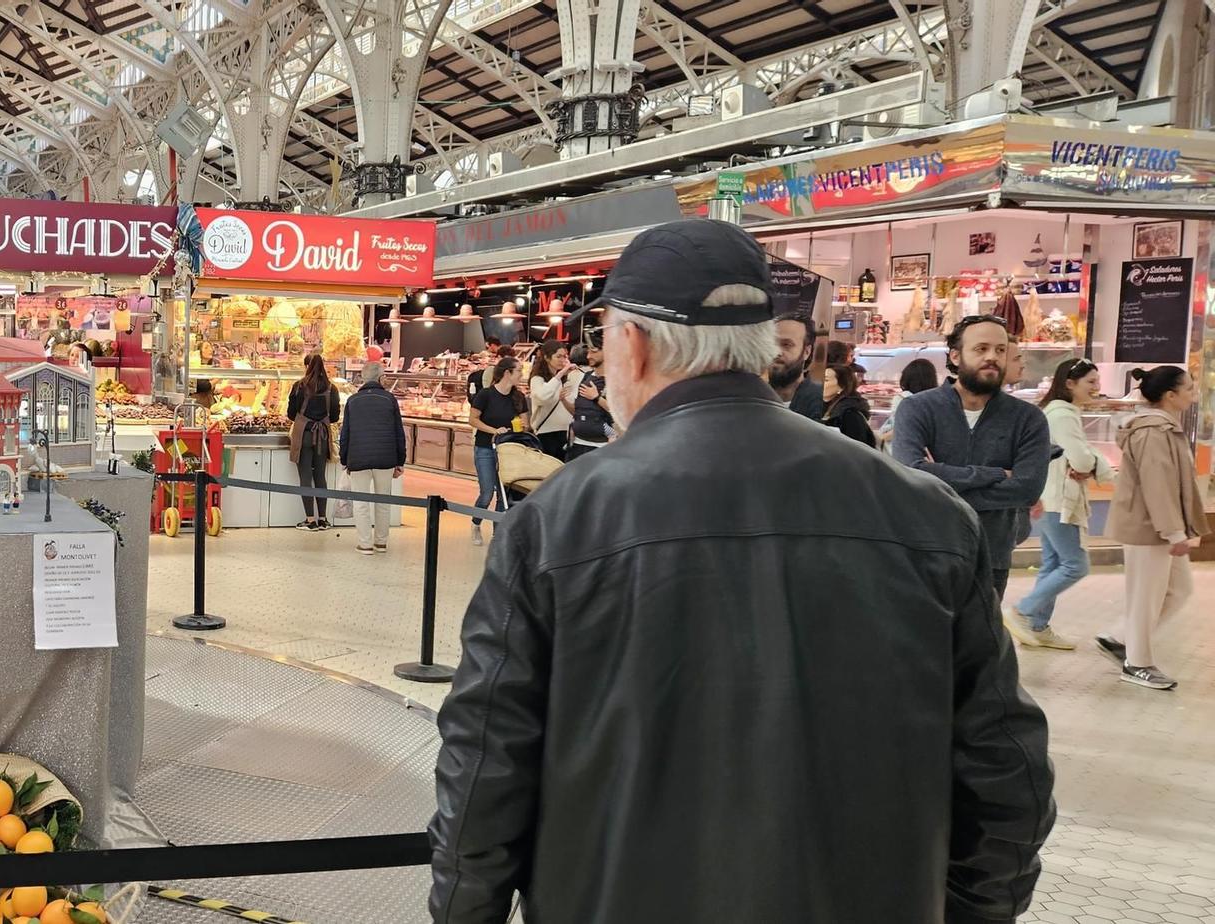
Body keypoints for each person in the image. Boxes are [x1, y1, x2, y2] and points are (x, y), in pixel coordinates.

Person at [430, 219, 1054, 924]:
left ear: (630, 347)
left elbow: (485, 769)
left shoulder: (556, 522)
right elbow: (1006, 773)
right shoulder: (931, 517)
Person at [888, 315, 1051, 602]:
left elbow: (1027, 489)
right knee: (919, 642)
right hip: (925, 549)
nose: (992, 357)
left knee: (979, 643)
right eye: (981, 349)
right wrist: (997, 474)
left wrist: (938, 477)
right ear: (955, 355)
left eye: (1000, 350)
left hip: (991, 555)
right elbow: (909, 475)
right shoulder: (918, 410)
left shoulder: (1028, 419)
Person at [1100, 366, 1206, 691]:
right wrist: (1174, 532)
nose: (1194, 393)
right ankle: (1137, 663)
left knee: (1178, 590)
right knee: (1147, 598)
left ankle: (1120, 639)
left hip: (1157, 528)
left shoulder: (1163, 427)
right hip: (1150, 529)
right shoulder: (1153, 431)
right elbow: (1157, 485)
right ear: (1170, 396)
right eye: (1188, 388)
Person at [1007, 358, 1113, 650]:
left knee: (1054, 563)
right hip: (1059, 499)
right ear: (1069, 383)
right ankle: (1022, 610)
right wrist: (1094, 464)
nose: (1097, 387)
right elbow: (1080, 457)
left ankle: (1038, 626)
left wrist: (1088, 462)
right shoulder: (1063, 414)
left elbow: (1080, 456)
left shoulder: (1056, 411)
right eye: (1090, 382)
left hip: (1049, 497)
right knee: (1076, 565)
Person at [337, 364, 406, 555]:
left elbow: (346, 434)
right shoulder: (389, 399)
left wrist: (344, 460)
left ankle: (365, 543)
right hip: (385, 458)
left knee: (361, 502)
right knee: (383, 501)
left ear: (363, 378)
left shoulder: (353, 401)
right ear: (381, 378)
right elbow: (398, 433)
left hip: (358, 458)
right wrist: (400, 461)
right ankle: (381, 543)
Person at [466, 356, 522, 546]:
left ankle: (497, 534)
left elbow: (526, 422)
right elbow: (473, 419)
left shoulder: (518, 397)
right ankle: (476, 523)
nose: (521, 375)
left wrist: (519, 428)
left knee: (502, 494)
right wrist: (494, 431)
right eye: (519, 371)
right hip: (485, 448)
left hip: (508, 450)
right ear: (507, 373)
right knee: (487, 492)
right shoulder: (486, 395)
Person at [285, 353, 341, 531]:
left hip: (304, 434)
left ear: (306, 366)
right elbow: (334, 416)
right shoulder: (332, 388)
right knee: (320, 475)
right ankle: (323, 519)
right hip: (323, 435)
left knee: (305, 476)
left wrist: (305, 419)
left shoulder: (299, 386)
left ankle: (310, 520)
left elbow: (291, 414)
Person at [770, 312, 825, 419]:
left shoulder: (820, 403)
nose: (776, 351)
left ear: (807, 352)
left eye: (786, 345)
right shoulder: (751, 396)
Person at [562, 344, 610, 461]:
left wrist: (596, 398)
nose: (588, 356)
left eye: (593, 352)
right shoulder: (586, 377)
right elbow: (577, 411)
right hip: (577, 445)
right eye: (588, 352)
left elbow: (620, 412)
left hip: (602, 447)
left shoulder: (616, 379)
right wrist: (563, 400)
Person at [527, 345, 576, 459]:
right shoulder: (538, 379)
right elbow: (542, 397)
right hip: (546, 433)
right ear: (547, 358)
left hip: (565, 432)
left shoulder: (564, 379)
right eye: (558, 356)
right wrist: (560, 374)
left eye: (564, 356)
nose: (562, 360)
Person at [819, 363, 876, 447]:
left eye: (826, 380)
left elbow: (857, 449)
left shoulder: (849, 414)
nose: (820, 383)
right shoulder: (825, 406)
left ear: (842, 386)